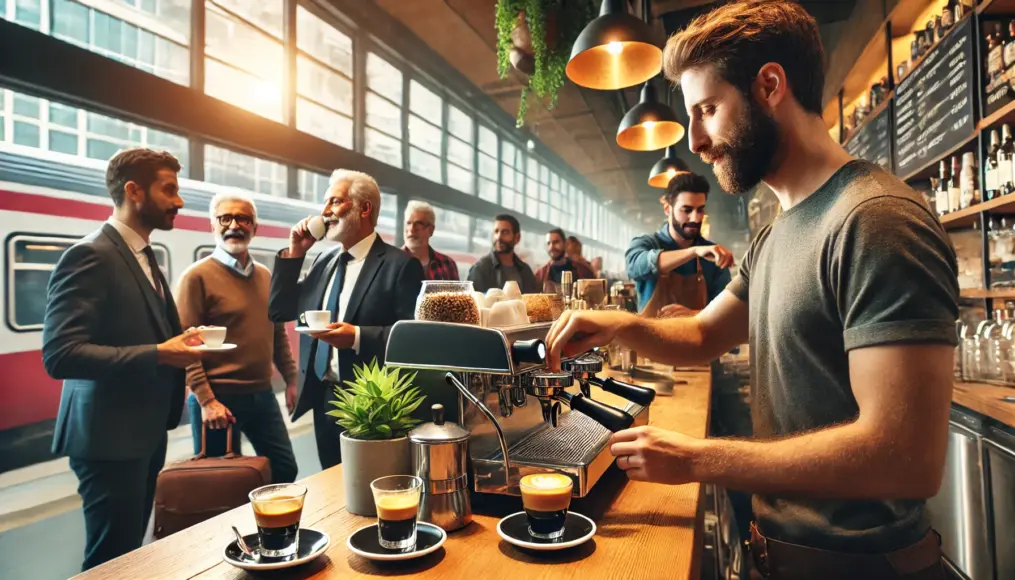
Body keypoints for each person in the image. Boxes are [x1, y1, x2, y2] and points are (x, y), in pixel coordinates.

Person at [544, 2, 957, 579]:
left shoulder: (875, 220)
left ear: (769, 86)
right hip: (781, 557)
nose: (697, 141)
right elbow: (705, 331)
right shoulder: (777, 233)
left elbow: (904, 458)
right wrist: (618, 325)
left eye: (708, 110)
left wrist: (698, 458)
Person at [42, 148, 204, 571]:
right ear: (134, 191)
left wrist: (178, 341)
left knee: (130, 551)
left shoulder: (142, 254)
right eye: (169, 189)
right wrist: (159, 353)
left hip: (141, 432)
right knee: (110, 559)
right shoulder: (91, 255)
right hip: (108, 439)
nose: (179, 201)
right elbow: (61, 354)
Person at [268, 169, 423, 469]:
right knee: (331, 484)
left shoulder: (401, 266)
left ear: (364, 208)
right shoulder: (323, 261)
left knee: (368, 485)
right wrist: (294, 252)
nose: (324, 212)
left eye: (335, 202)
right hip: (325, 398)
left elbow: (413, 338)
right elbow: (280, 311)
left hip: (372, 402)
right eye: (324, 203)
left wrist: (356, 337)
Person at [175, 192, 299, 483]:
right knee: (221, 483)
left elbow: (276, 331)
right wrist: (206, 401)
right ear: (213, 226)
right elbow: (185, 344)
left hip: (262, 395)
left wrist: (292, 379)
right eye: (225, 218)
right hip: (219, 398)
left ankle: (269, 529)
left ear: (255, 228)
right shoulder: (196, 277)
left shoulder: (266, 276)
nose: (234, 225)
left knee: (284, 471)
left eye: (243, 218)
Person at [627, 172, 733, 318]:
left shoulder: (713, 255)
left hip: (699, 339)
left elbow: (727, 310)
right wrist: (693, 252)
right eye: (687, 210)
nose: (695, 218)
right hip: (650, 339)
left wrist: (694, 314)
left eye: (700, 209)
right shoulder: (647, 243)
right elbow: (634, 266)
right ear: (667, 209)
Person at [467, 214, 540, 294]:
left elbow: (532, 299)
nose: (499, 237)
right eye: (496, 231)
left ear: (517, 238)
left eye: (505, 232)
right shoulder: (480, 269)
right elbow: (472, 302)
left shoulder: (525, 270)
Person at [402, 200, 460, 281]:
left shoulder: (447, 264)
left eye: (418, 224)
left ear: (431, 230)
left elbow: (456, 293)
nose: (411, 230)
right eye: (408, 223)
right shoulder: (392, 264)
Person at [533, 228, 596, 293]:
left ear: (565, 243)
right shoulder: (540, 274)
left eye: (556, 242)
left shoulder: (582, 269)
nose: (551, 247)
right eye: (549, 243)